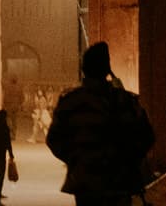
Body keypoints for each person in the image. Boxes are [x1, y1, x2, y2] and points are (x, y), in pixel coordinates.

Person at [46, 43, 154, 206]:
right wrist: (128, 161)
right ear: (107, 70)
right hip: (119, 181)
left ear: (84, 69)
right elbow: (146, 136)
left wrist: (77, 158)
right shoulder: (124, 100)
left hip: (85, 182)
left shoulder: (71, 103)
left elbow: (54, 139)